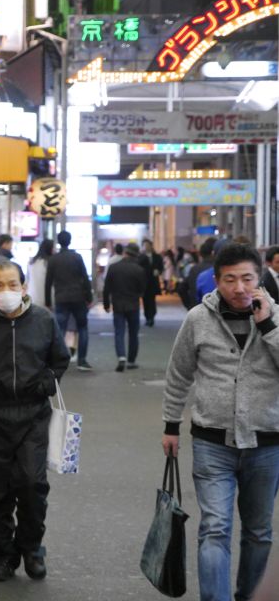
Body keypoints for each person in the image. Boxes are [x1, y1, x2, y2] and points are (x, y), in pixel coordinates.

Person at [163, 243, 279, 601]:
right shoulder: (198, 318)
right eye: (230, 279)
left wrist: (269, 326)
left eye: (247, 278)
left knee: (258, 532)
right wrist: (171, 425)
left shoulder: (276, 316)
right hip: (212, 442)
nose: (240, 288)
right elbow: (178, 373)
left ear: (259, 279)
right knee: (214, 529)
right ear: (216, 281)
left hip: (267, 442)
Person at [0, 261, 70, 584]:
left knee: (33, 486)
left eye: (12, 284)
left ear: (23, 287)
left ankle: (32, 548)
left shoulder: (43, 320)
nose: (6, 291)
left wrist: (47, 384)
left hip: (33, 415)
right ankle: (2, 555)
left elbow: (60, 359)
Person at [45, 230, 94, 371]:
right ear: (70, 241)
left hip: (61, 298)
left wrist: (48, 301)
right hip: (78, 297)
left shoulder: (53, 259)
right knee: (82, 328)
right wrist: (89, 298)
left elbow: (48, 282)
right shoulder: (77, 257)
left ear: (58, 242)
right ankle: (82, 360)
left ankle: (59, 360)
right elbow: (85, 278)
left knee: (60, 329)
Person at [102, 243, 146, 372]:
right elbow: (142, 289)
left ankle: (121, 356)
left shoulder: (114, 268)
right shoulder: (139, 270)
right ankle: (131, 361)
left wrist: (106, 304)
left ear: (125, 253)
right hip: (133, 304)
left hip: (118, 305)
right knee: (133, 334)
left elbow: (107, 288)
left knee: (119, 332)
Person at [181, 238, 217, 309]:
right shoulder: (219, 269)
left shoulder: (195, 269)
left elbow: (182, 288)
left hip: (198, 308)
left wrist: (189, 305)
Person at [137, 239, 163, 326]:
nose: (146, 247)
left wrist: (158, 271)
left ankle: (151, 317)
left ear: (151, 246)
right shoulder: (140, 257)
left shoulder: (157, 256)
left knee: (152, 300)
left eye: (148, 245)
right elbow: (138, 266)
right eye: (145, 245)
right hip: (144, 282)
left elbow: (161, 267)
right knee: (145, 300)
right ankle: (147, 317)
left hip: (153, 282)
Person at [27, 239, 54, 307]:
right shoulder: (50, 262)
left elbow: (27, 280)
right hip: (48, 297)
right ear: (50, 249)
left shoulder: (31, 262)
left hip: (32, 296)